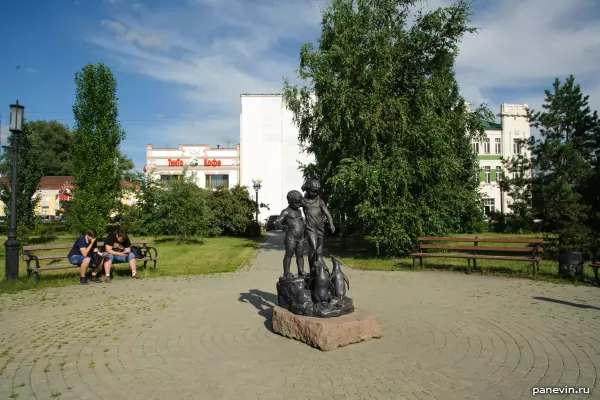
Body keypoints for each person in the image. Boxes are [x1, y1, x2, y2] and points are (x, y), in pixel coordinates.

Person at [301, 179, 335, 275]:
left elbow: (327, 213)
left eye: (317, 192)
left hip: (320, 227)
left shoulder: (320, 201)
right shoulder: (303, 201)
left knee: (319, 250)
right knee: (314, 247)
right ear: (307, 189)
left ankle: (318, 269)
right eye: (313, 191)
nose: (315, 194)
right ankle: (312, 269)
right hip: (310, 228)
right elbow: (293, 207)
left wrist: (331, 224)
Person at [276, 190, 307, 277]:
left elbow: (300, 220)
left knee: (300, 255)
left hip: (300, 238)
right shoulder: (286, 212)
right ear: (290, 201)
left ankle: (301, 270)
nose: (299, 204)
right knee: (289, 255)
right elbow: (278, 221)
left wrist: (303, 223)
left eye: (300, 202)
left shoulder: (299, 211)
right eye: (297, 202)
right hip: (291, 237)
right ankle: (286, 271)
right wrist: (282, 227)